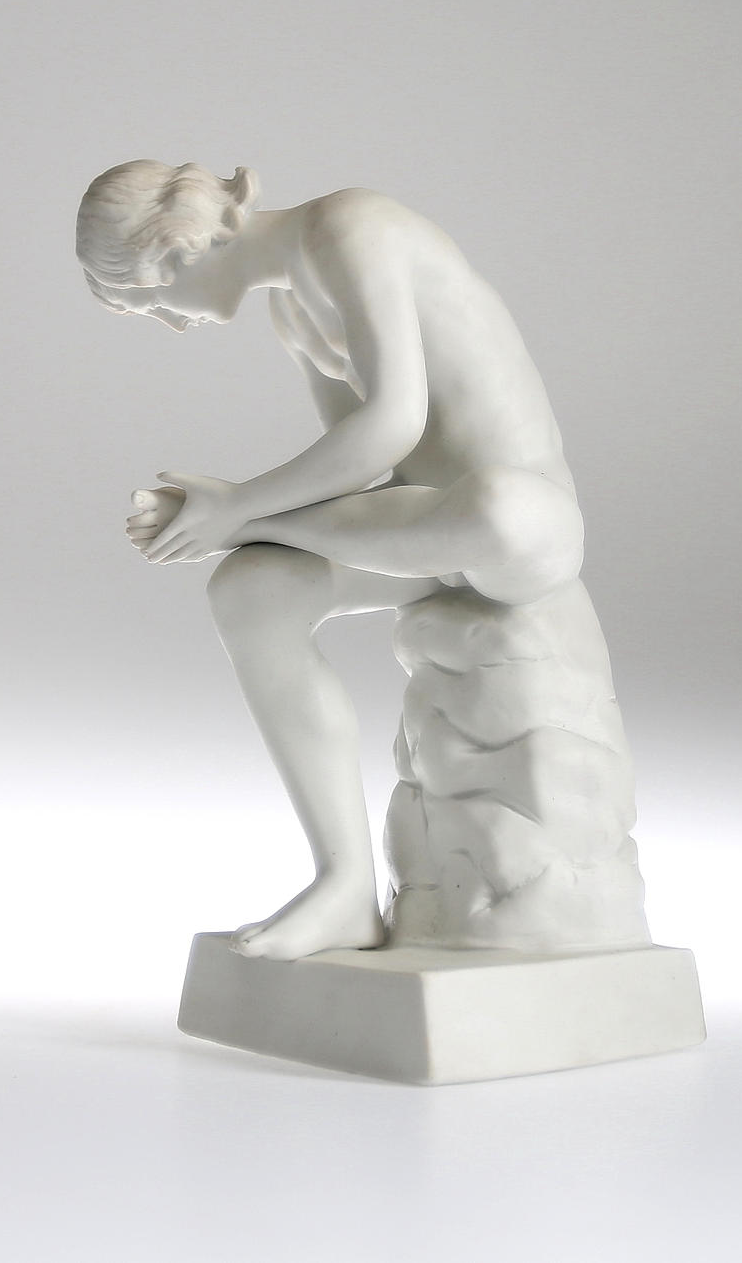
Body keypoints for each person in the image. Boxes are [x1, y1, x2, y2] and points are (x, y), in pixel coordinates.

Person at [77, 160, 586, 959]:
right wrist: (240, 521)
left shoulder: (351, 226)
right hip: (423, 525)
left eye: (153, 300)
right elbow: (361, 472)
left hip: (522, 529)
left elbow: (392, 423)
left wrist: (240, 508)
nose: (171, 323)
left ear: (177, 249)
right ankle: (345, 884)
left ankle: (238, 522)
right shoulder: (292, 309)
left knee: (497, 506)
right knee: (253, 589)